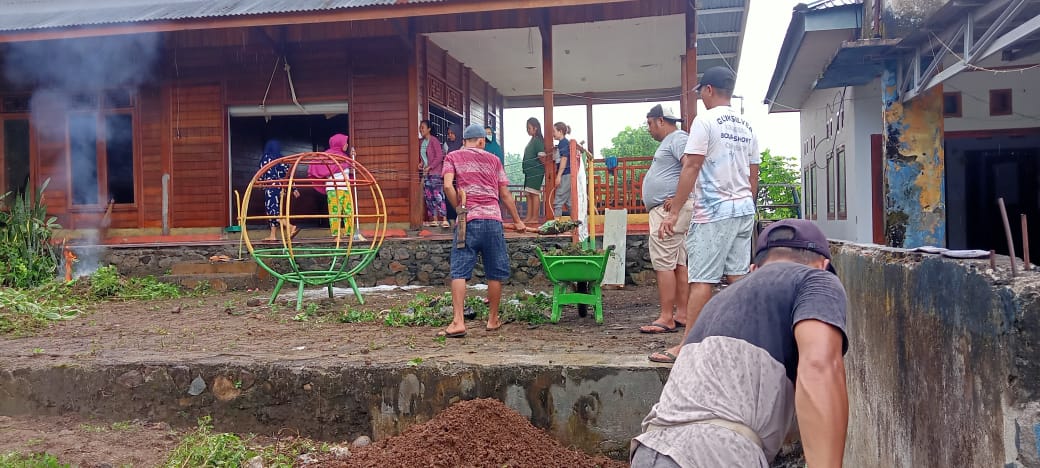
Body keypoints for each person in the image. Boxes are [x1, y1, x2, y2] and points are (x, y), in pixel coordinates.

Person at [631, 219, 848, 468]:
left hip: (649, 448)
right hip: (716, 454)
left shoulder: (717, 303)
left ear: (754, 269)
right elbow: (820, 367)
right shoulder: (816, 280)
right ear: (824, 265)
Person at [651, 66, 761, 364]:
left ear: (710, 90)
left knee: (702, 280)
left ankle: (687, 347)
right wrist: (744, 205)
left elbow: (691, 166)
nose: (700, 97)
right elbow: (754, 174)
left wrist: (674, 212)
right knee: (737, 277)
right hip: (743, 211)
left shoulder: (706, 121)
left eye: (701, 91)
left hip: (714, 212)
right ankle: (745, 345)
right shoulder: (746, 126)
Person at [438, 123, 526, 338]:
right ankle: (493, 320)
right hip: (493, 221)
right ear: (480, 141)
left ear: (464, 141)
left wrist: (459, 209)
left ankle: (458, 321)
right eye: (484, 142)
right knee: (494, 272)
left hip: (467, 222)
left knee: (459, 271)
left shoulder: (453, 157)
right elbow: (504, 194)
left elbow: (448, 186)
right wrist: (518, 221)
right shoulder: (494, 160)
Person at [637, 105, 693, 335]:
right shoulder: (672, 141)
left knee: (663, 263)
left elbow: (692, 166)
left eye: (650, 123)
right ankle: (683, 314)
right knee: (678, 263)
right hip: (670, 208)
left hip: (668, 211)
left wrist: (680, 198)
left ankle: (666, 317)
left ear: (661, 120)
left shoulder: (678, 138)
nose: (649, 129)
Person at [307, 134, 355, 237]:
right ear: (339, 143)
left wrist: (352, 160)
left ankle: (349, 233)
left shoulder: (344, 157)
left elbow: (348, 170)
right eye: (345, 142)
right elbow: (317, 165)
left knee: (348, 211)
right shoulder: (328, 156)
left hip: (345, 188)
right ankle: (336, 235)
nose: (346, 144)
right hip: (333, 189)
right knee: (335, 212)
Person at [258, 139, 298, 241]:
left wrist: (260, 183)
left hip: (271, 187)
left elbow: (262, 173)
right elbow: (288, 175)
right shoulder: (282, 160)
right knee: (276, 210)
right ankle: (273, 235)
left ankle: (290, 226)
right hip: (281, 188)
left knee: (272, 211)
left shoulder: (266, 158)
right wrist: (294, 188)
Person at [420, 120, 449, 228]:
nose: (420, 129)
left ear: (429, 129)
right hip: (426, 173)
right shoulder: (422, 142)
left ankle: (444, 219)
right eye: (420, 127)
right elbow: (424, 157)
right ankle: (435, 219)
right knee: (429, 196)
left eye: (422, 127)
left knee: (438, 196)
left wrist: (430, 166)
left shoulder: (434, 141)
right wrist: (421, 164)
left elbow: (439, 156)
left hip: (435, 173)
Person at [520, 117, 546, 224]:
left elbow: (541, 156)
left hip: (536, 171)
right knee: (528, 194)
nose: (528, 130)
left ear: (535, 128)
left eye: (529, 128)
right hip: (529, 172)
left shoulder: (538, 141)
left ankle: (534, 218)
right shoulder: (532, 140)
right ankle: (529, 217)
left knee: (534, 194)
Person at [551, 122, 573, 220]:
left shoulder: (564, 143)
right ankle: (576, 223)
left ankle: (556, 224)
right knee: (569, 202)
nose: (553, 133)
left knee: (558, 199)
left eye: (554, 131)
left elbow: (564, 159)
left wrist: (558, 175)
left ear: (560, 132)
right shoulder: (562, 143)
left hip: (565, 174)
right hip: (567, 174)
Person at [444, 123, 463, 223]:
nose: (450, 135)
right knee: (449, 198)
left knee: (459, 198)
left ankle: (459, 219)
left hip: (459, 178)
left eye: (452, 133)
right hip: (450, 178)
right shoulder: (448, 146)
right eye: (449, 133)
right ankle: (451, 220)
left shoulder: (462, 147)